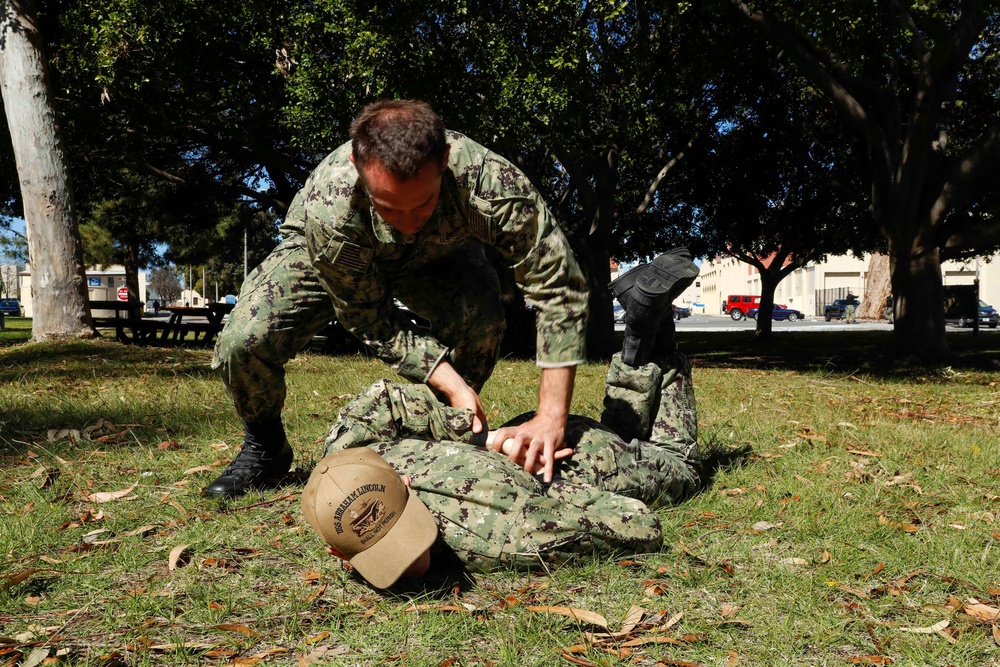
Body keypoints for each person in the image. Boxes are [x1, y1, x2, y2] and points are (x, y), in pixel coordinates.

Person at [208, 100, 591, 497]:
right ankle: (266, 447)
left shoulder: (490, 185)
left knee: (482, 321)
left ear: (444, 160)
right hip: (335, 254)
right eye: (389, 206)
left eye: (424, 203)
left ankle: (439, 433)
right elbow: (367, 316)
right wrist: (451, 381)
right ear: (358, 168)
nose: (408, 223)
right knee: (244, 341)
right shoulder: (331, 208)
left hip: (439, 254)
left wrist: (551, 415)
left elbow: (558, 285)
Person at [302, 254, 706, 587]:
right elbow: (385, 400)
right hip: (528, 431)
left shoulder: (495, 537)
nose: (407, 560)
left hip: (560, 457)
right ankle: (646, 334)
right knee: (625, 440)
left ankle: (650, 333)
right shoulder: (351, 455)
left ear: (336, 554)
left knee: (680, 467)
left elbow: (638, 524)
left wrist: (535, 479)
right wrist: (481, 440)